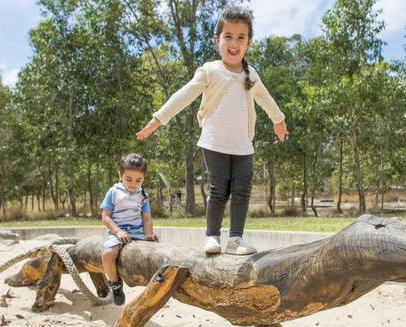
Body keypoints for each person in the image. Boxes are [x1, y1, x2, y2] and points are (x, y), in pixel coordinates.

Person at [136, 6, 287, 256]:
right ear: (217, 39)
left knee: (242, 190)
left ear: (248, 42)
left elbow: (266, 98)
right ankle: (212, 236)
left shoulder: (251, 74)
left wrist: (278, 119)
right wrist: (158, 118)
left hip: (242, 145)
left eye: (241, 37)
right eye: (228, 36)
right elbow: (184, 95)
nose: (234, 43)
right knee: (219, 190)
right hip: (214, 142)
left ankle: (236, 238)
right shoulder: (210, 70)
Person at [100, 153, 159, 305]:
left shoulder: (143, 195)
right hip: (118, 231)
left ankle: (157, 285)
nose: (133, 184)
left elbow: (146, 217)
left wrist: (149, 234)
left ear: (144, 178)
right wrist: (118, 232)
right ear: (120, 175)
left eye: (138, 180)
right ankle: (115, 284)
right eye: (129, 179)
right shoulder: (113, 193)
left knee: (158, 252)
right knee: (107, 254)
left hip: (138, 231)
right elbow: (105, 216)